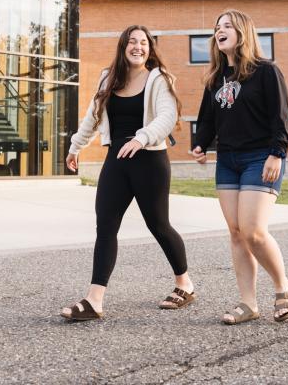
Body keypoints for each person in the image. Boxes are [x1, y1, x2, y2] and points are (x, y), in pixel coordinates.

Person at [61, 25, 195, 321]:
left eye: (143, 42)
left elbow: (167, 116)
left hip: (149, 160)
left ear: (150, 48)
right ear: (123, 47)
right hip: (116, 161)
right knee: (105, 226)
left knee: (158, 225)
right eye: (132, 42)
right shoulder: (109, 78)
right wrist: (75, 147)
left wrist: (141, 138)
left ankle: (184, 284)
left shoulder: (159, 78)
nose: (138, 47)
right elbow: (93, 116)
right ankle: (94, 300)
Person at [190, 9, 288, 325]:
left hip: (260, 157)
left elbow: (281, 117)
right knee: (236, 233)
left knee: (253, 231)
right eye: (216, 27)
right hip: (228, 161)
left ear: (242, 32)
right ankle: (248, 303)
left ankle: (283, 287)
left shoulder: (266, 72)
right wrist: (201, 144)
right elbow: (208, 118)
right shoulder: (215, 78)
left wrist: (277, 153)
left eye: (226, 26)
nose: (219, 31)